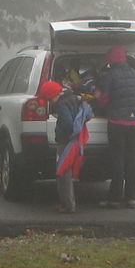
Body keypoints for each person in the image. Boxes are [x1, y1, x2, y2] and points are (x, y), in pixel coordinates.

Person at [95, 45, 135, 208]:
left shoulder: (110, 75)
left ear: (111, 60)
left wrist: (97, 96)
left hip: (117, 123)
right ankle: (131, 198)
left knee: (117, 160)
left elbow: (104, 99)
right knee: (132, 160)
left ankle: (114, 198)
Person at [39, 79, 92, 214]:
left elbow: (68, 124)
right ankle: (68, 203)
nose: (49, 102)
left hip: (65, 142)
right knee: (67, 172)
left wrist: (65, 135)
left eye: (49, 99)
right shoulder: (74, 98)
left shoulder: (62, 105)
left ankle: (67, 204)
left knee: (63, 173)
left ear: (53, 95)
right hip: (76, 140)